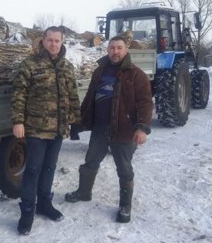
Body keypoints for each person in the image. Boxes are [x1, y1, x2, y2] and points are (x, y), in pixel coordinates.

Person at [65, 35, 153, 223]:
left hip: (124, 130)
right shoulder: (100, 71)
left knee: (124, 169)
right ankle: (84, 192)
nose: (115, 51)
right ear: (107, 50)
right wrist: (79, 121)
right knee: (90, 161)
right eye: (112, 47)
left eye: (119, 47)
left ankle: (125, 206)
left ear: (126, 50)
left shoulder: (136, 74)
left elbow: (145, 103)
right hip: (100, 127)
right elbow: (90, 98)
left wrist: (142, 128)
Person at [11, 26, 81, 235]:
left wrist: (76, 121)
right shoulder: (30, 65)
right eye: (49, 40)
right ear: (43, 41)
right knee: (32, 170)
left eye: (57, 41)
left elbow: (73, 95)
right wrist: (18, 121)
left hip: (58, 129)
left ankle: (44, 204)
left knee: (50, 168)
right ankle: (27, 212)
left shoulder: (67, 66)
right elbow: (18, 94)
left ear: (62, 42)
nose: (53, 44)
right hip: (36, 128)